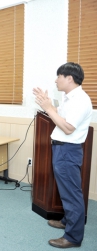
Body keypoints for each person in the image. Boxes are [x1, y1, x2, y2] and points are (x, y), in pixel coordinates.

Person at [33, 62, 92, 249]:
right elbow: (62, 116)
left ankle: (73, 237)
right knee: (66, 191)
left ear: (69, 78)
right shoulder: (69, 98)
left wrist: (49, 108)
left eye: (59, 76)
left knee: (71, 194)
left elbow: (68, 128)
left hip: (68, 149)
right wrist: (49, 105)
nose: (56, 80)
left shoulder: (80, 100)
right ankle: (67, 220)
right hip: (62, 149)